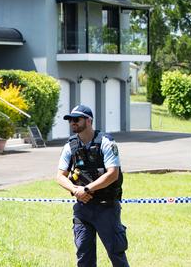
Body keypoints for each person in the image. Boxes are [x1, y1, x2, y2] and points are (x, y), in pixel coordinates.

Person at [56, 105, 129, 267]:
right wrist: (76, 190)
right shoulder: (70, 146)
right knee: (84, 256)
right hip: (83, 209)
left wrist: (87, 189)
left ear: (89, 121)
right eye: (70, 120)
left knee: (116, 255)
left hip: (106, 207)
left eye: (77, 119)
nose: (72, 123)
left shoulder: (106, 142)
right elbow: (60, 176)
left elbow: (112, 174)